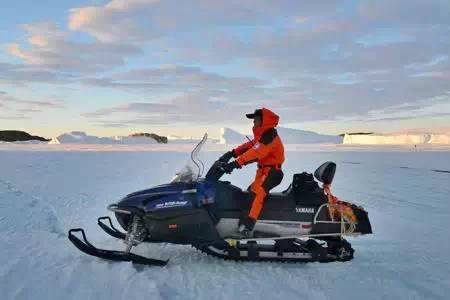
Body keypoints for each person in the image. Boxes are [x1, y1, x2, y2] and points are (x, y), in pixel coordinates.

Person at [219, 107, 285, 238]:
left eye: (256, 119)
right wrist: (232, 153)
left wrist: (236, 163)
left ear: (264, 121)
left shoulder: (269, 135)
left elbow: (257, 151)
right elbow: (250, 146)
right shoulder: (262, 136)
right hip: (264, 171)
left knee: (257, 194)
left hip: (273, 172)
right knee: (250, 193)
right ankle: (243, 222)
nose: (253, 122)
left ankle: (247, 227)